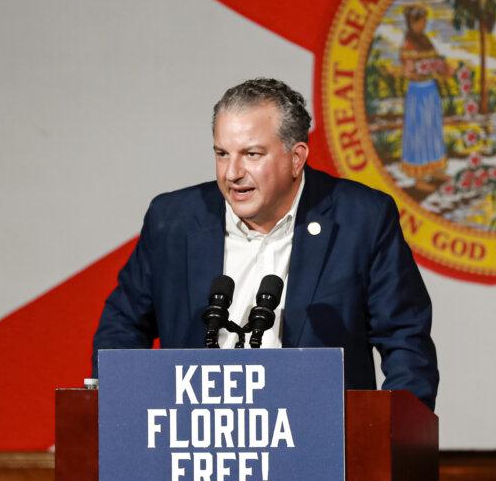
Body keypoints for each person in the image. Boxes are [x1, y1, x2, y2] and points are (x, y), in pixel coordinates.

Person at [93, 78, 438, 408]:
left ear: (296, 157)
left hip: (319, 442)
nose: (232, 173)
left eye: (252, 154)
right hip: (199, 443)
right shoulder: (173, 220)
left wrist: (387, 439)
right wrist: (122, 413)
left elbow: (405, 340)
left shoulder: (361, 219)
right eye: (222, 153)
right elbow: (122, 325)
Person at [400, 5, 448, 188]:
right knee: (419, 132)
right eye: (420, 22)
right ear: (412, 23)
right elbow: (408, 71)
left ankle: (435, 169)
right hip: (418, 92)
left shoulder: (425, 40)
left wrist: (440, 67)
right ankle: (419, 178)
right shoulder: (408, 44)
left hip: (430, 90)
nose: (423, 25)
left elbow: (436, 61)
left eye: (424, 22)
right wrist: (419, 70)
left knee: (433, 128)